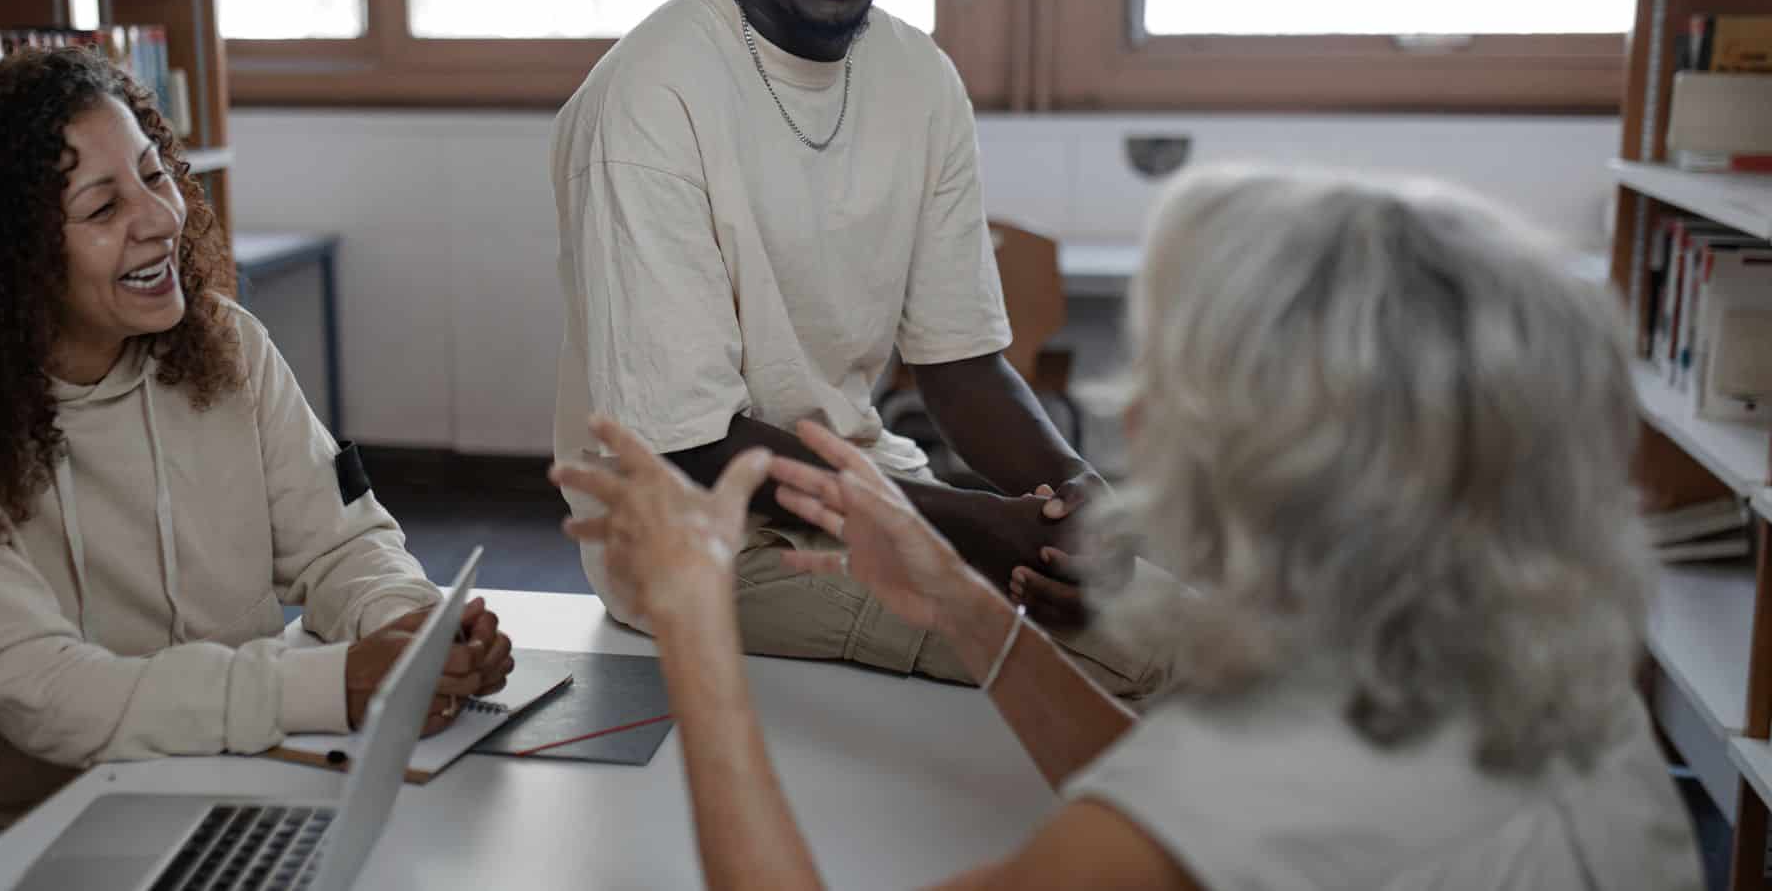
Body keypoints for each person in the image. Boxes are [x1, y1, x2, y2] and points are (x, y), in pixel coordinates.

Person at [554, 165, 1705, 889]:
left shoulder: (1280, 779)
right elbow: (1166, 810)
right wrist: (959, 600)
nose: (1135, 410)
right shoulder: (1532, 667)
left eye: (1174, 377)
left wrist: (694, 618)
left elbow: (1191, 819)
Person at [0, 49, 514, 891]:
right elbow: (52, 693)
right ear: (1, 258)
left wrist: (417, 635)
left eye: (154, 174)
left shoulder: (226, 345)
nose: (160, 218)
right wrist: (339, 678)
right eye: (102, 206)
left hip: (202, 782)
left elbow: (341, 545)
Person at [552, 0, 1164, 690]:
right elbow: (691, 445)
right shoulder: (652, 97)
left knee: (1188, 627)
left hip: (874, 489)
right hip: (700, 543)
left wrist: (1077, 498)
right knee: (1141, 667)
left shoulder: (921, 81)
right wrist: (972, 528)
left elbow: (959, 365)